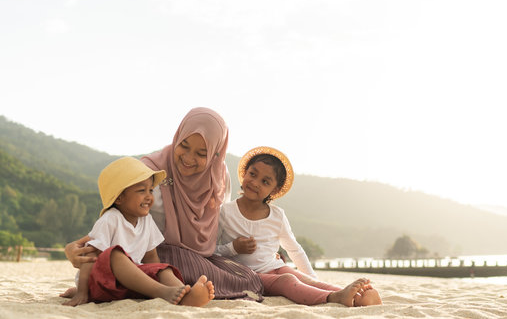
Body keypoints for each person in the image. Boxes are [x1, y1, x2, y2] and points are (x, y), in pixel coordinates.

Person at [64, 108, 263, 300]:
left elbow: (221, 227)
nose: (188, 158)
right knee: (172, 267)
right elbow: (115, 219)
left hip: (198, 255)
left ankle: (183, 292)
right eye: (184, 145)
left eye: (202, 154)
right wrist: (73, 249)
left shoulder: (218, 177)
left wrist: (262, 253)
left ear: (215, 153)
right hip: (161, 252)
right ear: (177, 137)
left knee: (246, 277)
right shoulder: (148, 176)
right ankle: (174, 291)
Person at [215, 146, 383, 306]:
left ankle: (355, 296)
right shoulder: (225, 212)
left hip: (275, 267)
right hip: (248, 275)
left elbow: (294, 250)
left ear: (275, 190)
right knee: (287, 281)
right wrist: (233, 248)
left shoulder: (277, 216)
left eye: (265, 181)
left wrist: (313, 279)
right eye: (252, 174)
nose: (255, 182)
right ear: (244, 173)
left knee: (301, 278)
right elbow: (210, 250)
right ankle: (335, 297)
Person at [62, 156, 214, 307]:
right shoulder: (110, 219)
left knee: (163, 269)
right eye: (142, 191)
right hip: (104, 282)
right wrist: (82, 292)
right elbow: (90, 257)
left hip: (131, 284)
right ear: (119, 198)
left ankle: (183, 294)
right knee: (115, 254)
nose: (149, 196)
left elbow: (151, 257)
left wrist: (156, 273)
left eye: (151, 190)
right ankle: (162, 292)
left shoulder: (147, 220)